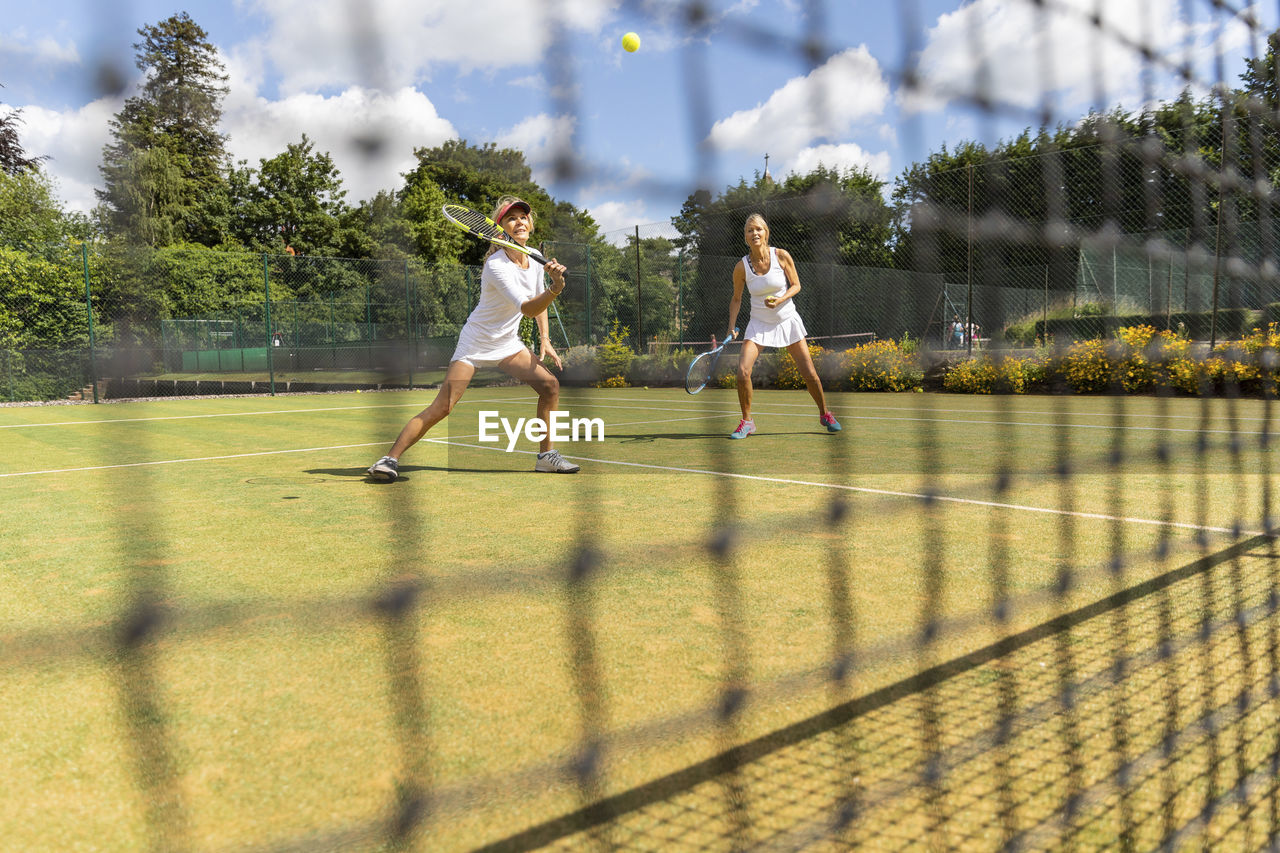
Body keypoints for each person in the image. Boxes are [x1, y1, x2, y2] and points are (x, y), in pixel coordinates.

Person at [367, 196, 579, 480]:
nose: (520, 221)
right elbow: (529, 309)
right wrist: (557, 288)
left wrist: (545, 336)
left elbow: (537, 300)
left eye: (524, 217)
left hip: (507, 344)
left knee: (550, 386)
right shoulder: (496, 264)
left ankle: (546, 457)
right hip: (476, 342)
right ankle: (388, 460)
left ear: (531, 224)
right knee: (443, 406)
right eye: (512, 218)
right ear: (500, 228)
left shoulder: (534, 260)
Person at [723, 213, 841, 439]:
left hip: (787, 319)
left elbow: (796, 285)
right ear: (746, 237)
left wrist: (780, 300)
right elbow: (736, 299)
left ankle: (825, 414)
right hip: (758, 323)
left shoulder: (781, 256)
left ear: (766, 232)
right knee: (742, 371)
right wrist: (731, 326)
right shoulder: (741, 267)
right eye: (749, 230)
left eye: (758, 229)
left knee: (809, 373)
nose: (754, 233)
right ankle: (747, 422)